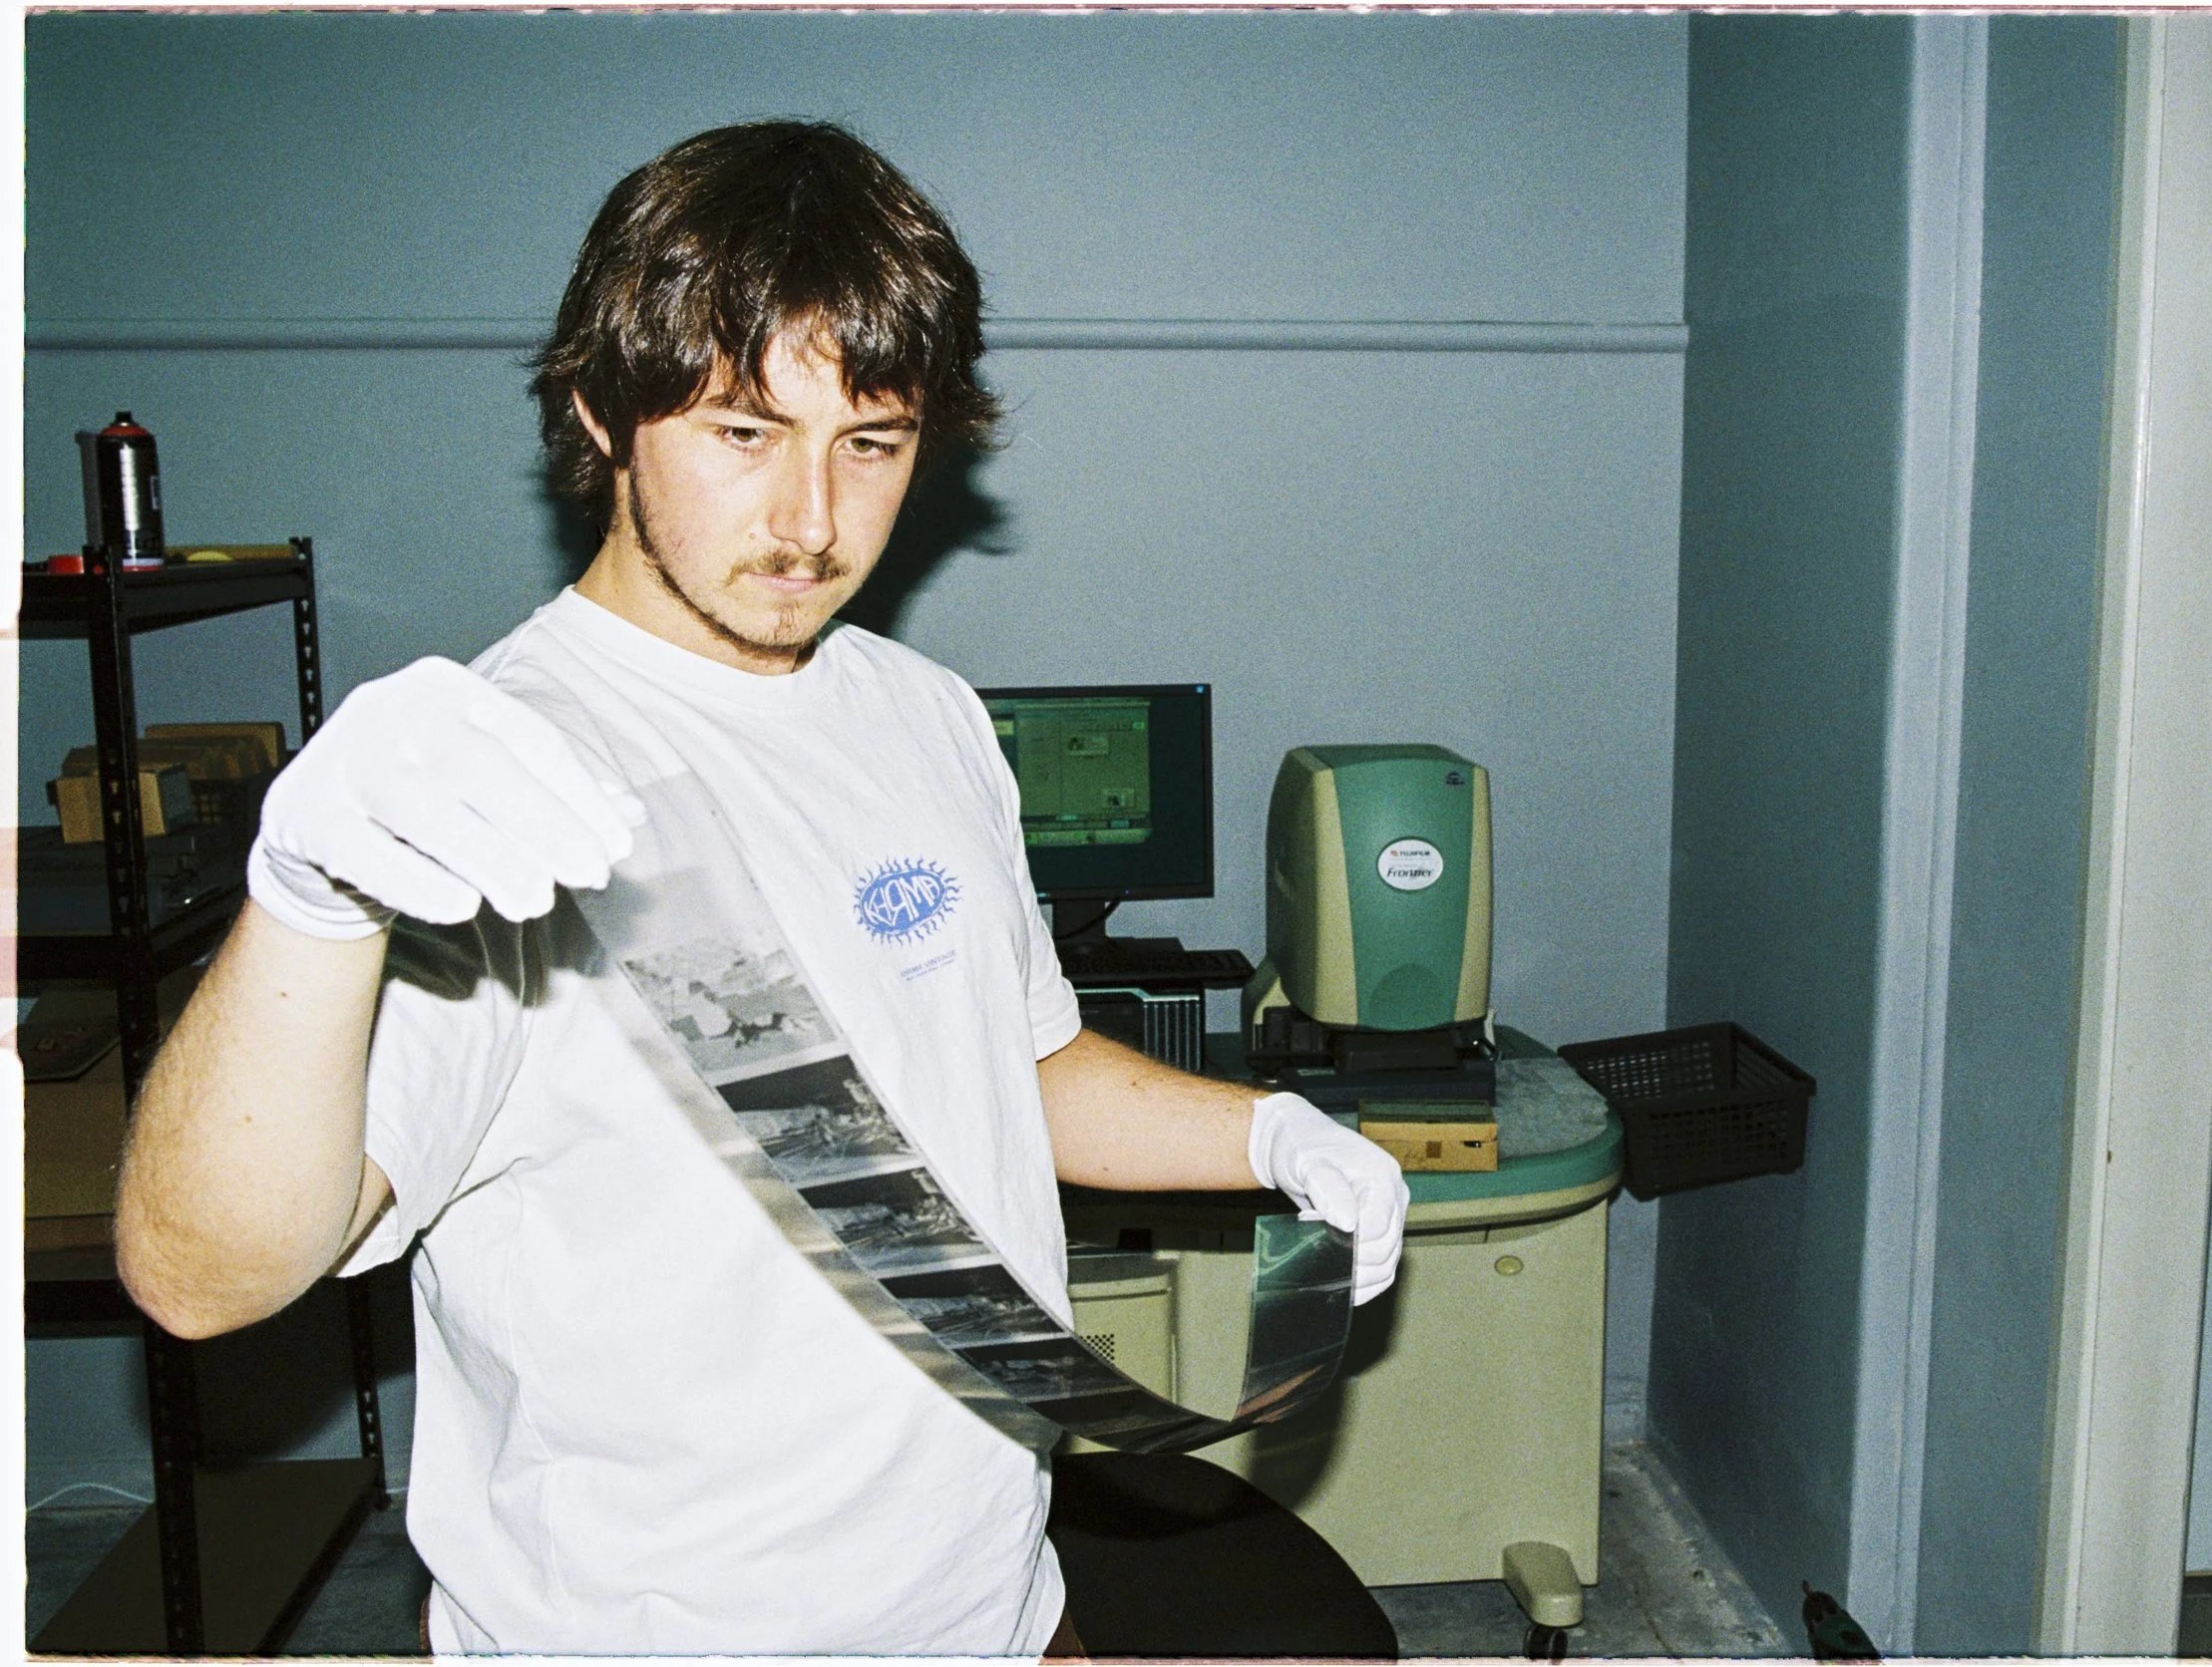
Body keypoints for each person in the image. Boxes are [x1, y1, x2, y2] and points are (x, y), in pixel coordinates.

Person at [115, 119, 1409, 1657]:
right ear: (601, 414)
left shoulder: (924, 716)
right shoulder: (485, 797)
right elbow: (199, 1278)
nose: (811, 521)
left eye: (870, 443)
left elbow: (1015, 1068)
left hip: (996, 1607)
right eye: (743, 432)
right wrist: (308, 902)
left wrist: (1266, 1133)